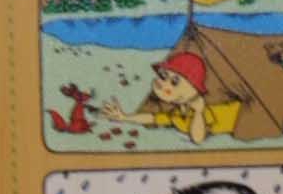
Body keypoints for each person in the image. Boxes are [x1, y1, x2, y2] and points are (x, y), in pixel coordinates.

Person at [102, 49, 241, 146]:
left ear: (194, 90)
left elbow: (198, 138)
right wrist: (124, 117)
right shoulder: (177, 114)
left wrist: (199, 112)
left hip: (237, 114)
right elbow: (152, 118)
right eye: (163, 76)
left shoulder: (203, 110)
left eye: (175, 81)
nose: (164, 83)